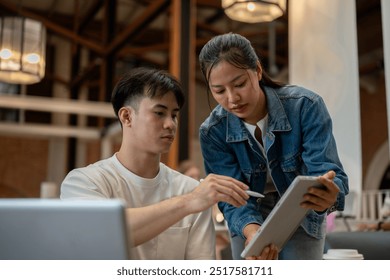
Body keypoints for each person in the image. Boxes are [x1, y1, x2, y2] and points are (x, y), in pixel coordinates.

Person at [61, 67, 250, 260]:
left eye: (174, 115)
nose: (170, 124)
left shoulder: (189, 189)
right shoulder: (84, 182)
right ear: (127, 116)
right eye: (159, 113)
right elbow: (101, 233)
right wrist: (188, 202)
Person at [198, 33, 349, 260]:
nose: (232, 98)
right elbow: (229, 197)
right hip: (247, 217)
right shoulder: (213, 131)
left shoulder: (305, 106)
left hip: (301, 214)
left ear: (258, 71)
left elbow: (329, 174)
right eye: (219, 91)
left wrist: (327, 196)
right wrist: (253, 232)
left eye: (239, 84)